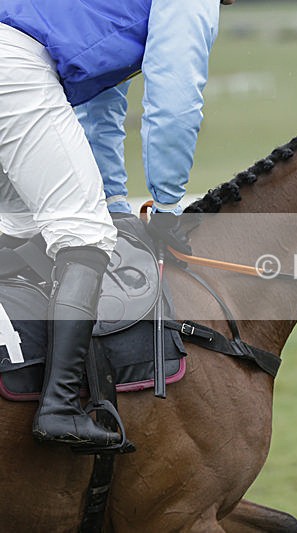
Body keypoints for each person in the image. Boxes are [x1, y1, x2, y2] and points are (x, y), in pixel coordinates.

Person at [0, 0, 233, 450]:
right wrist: (166, 205)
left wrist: (114, 202)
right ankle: (60, 407)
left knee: (19, 224)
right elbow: (175, 100)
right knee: (83, 237)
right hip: (15, 69)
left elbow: (102, 103)